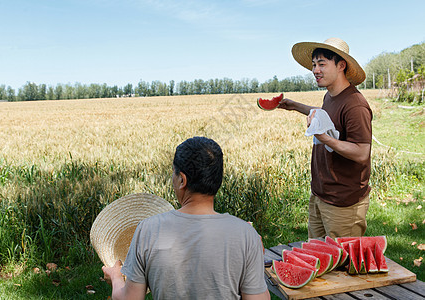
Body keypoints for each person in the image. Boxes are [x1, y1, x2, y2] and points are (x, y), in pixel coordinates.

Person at [102, 136, 270, 300]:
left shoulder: (148, 229)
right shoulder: (246, 234)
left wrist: (115, 278)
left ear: (182, 179)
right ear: (217, 179)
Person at [278, 38, 372, 239]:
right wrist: (295, 106)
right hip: (321, 195)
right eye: (314, 65)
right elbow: (328, 117)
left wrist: (323, 138)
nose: (315, 70)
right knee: (318, 259)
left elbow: (362, 152)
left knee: (342, 267)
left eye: (322, 64)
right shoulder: (330, 96)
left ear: (341, 65)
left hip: (343, 202)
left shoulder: (355, 104)